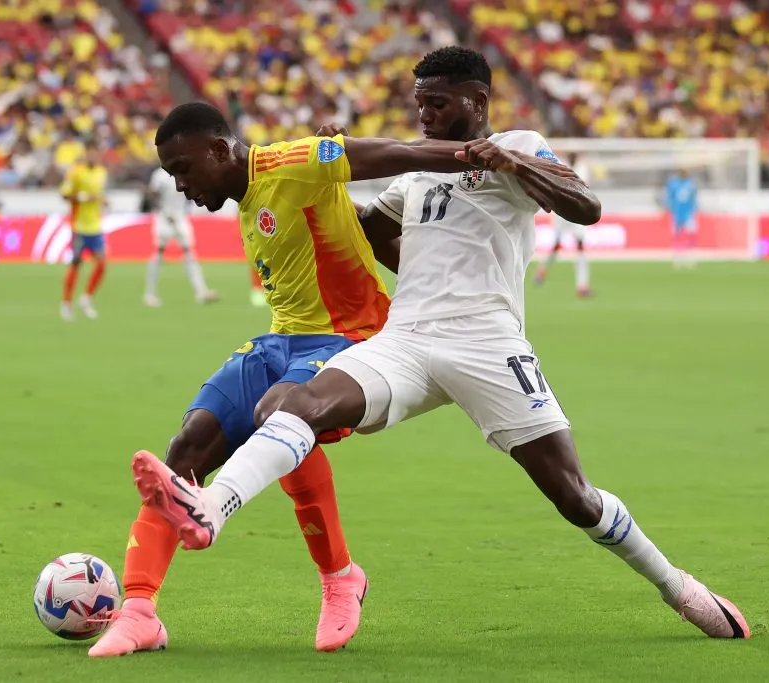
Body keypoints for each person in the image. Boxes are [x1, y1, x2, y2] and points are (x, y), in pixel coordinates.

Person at [135, 47, 751, 641]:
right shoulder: (426, 167)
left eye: (435, 104)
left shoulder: (517, 146)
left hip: (486, 339)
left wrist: (517, 166)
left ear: (476, 100)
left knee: (573, 496)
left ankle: (676, 587)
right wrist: (325, 185)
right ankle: (211, 507)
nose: (424, 116)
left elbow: (586, 207)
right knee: (294, 403)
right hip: (405, 337)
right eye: (419, 104)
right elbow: (369, 232)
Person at [88, 100, 491, 658]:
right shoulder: (247, 198)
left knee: (281, 411)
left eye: (183, 168)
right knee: (185, 448)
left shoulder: (294, 160)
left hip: (351, 338)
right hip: (282, 341)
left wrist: (481, 155)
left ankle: (339, 576)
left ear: (219, 149)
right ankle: (139, 612)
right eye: (170, 174)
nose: (179, 185)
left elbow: (397, 154)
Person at [143, 164, 218, 307]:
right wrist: (163, 211)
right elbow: (152, 194)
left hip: (180, 217)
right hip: (163, 217)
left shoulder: (184, 172)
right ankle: (150, 294)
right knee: (159, 251)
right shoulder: (159, 175)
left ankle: (201, 292)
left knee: (189, 251)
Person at [60, 148, 108, 321]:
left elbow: (99, 194)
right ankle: (66, 303)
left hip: (95, 226)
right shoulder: (76, 173)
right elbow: (64, 194)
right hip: (79, 226)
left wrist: (103, 200)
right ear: (86, 155)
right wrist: (83, 197)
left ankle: (86, 298)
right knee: (76, 264)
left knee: (102, 264)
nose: (94, 158)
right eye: (91, 154)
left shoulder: (102, 172)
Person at [533, 152, 591, 296]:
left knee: (580, 246)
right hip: (562, 213)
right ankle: (542, 269)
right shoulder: (561, 165)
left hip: (577, 212)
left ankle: (582, 285)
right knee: (557, 246)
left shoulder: (582, 168)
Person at [665, 169, 698, 269]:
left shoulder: (690, 184)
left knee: (691, 234)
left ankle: (690, 255)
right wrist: (670, 208)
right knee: (677, 235)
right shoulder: (674, 184)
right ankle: (678, 256)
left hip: (687, 213)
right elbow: (670, 197)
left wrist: (694, 209)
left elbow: (693, 198)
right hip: (678, 213)